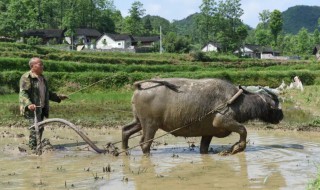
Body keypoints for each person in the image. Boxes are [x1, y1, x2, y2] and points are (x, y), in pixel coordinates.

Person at [19, 57, 68, 150]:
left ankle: (37, 145)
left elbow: (47, 93)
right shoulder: (27, 77)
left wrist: (58, 97)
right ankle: (33, 149)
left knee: (40, 127)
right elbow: (23, 93)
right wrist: (29, 104)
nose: (42, 66)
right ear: (33, 66)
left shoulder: (43, 78)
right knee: (35, 129)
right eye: (40, 64)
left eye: (42, 64)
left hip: (41, 107)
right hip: (32, 108)